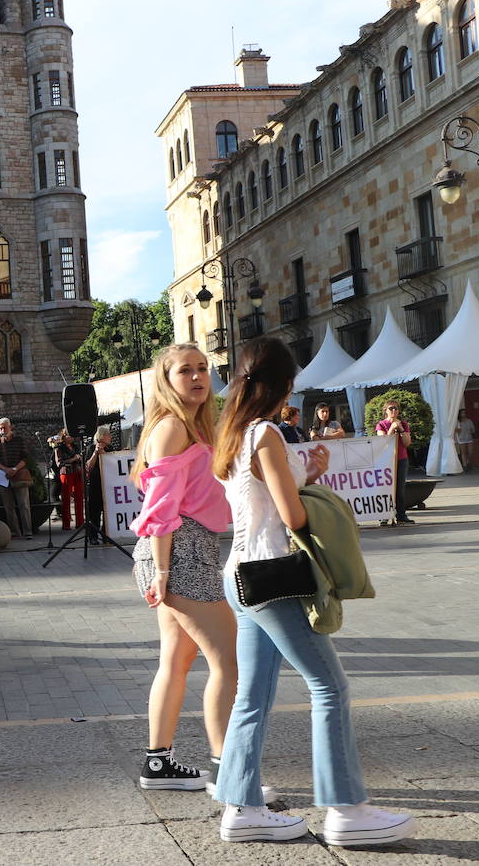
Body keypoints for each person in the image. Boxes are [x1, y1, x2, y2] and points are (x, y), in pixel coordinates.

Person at [212, 337, 415, 846]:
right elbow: (292, 514)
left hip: (240, 576)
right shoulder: (266, 435)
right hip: (274, 576)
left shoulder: (234, 433)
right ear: (284, 385)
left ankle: (241, 807)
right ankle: (347, 810)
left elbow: (261, 493)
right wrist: (316, 488)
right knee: (330, 686)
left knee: (252, 696)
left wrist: (307, 469)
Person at [129, 344, 236, 794]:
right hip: (179, 553)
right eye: (184, 371)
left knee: (176, 661)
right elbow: (160, 510)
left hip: (187, 551)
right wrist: (164, 572)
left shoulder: (197, 427)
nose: (196, 377)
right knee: (231, 664)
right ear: (166, 381)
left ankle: (158, 763)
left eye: (202, 368)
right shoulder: (172, 429)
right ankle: (230, 775)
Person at [375, 400, 415, 525]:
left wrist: (401, 429)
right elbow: (384, 442)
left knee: (400, 488)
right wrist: (391, 429)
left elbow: (407, 443)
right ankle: (384, 516)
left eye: (396, 409)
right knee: (385, 488)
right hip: (386, 461)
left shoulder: (403, 424)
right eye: (391, 408)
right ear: (386, 410)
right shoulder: (381, 425)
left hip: (401, 459)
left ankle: (401, 515)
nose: (394, 411)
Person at [0, 418, 33, 539]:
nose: (2, 430)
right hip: (4, 477)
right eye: (0, 428)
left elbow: (26, 458)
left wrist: (15, 469)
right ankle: (15, 532)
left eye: (4, 427)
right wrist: (6, 469)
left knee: (24, 504)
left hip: (19, 475)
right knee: (8, 506)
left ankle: (27, 531)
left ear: (10, 427)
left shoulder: (19, 440)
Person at [85, 425, 116, 543]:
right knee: (95, 511)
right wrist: (96, 453)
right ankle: (93, 536)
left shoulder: (110, 448)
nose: (110, 437)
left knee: (107, 511)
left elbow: (114, 464)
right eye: (108, 435)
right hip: (95, 484)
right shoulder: (91, 448)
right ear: (102, 436)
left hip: (108, 484)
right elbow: (88, 466)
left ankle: (105, 535)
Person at [52, 429, 84, 531]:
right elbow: (59, 464)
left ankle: (80, 522)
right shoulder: (59, 448)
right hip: (66, 474)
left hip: (77, 473)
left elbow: (79, 459)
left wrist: (79, 459)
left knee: (79, 497)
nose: (71, 438)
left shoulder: (75, 447)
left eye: (72, 436)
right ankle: (66, 524)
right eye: (69, 436)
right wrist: (73, 459)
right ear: (64, 437)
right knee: (66, 499)